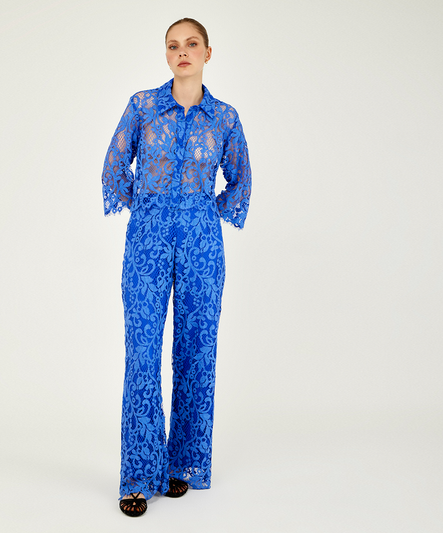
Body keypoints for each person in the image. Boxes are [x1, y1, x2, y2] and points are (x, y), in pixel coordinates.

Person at [101, 17, 252, 517]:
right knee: (142, 352)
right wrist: (147, 207)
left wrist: (206, 212)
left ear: (208, 53)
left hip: (202, 246)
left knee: (196, 350)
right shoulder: (143, 107)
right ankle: (139, 474)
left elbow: (241, 180)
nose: (181, 51)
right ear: (166, 55)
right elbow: (113, 167)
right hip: (147, 243)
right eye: (173, 45)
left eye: (191, 44)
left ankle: (183, 463)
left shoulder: (224, 118)